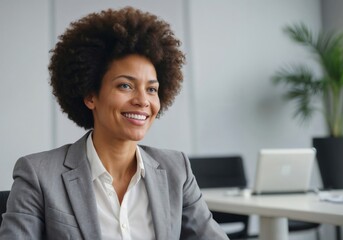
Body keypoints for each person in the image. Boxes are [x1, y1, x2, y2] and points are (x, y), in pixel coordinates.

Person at [0, 6, 229, 240]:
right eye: (125, 86)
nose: (143, 101)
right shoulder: (38, 174)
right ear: (90, 96)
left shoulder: (176, 170)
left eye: (151, 89)